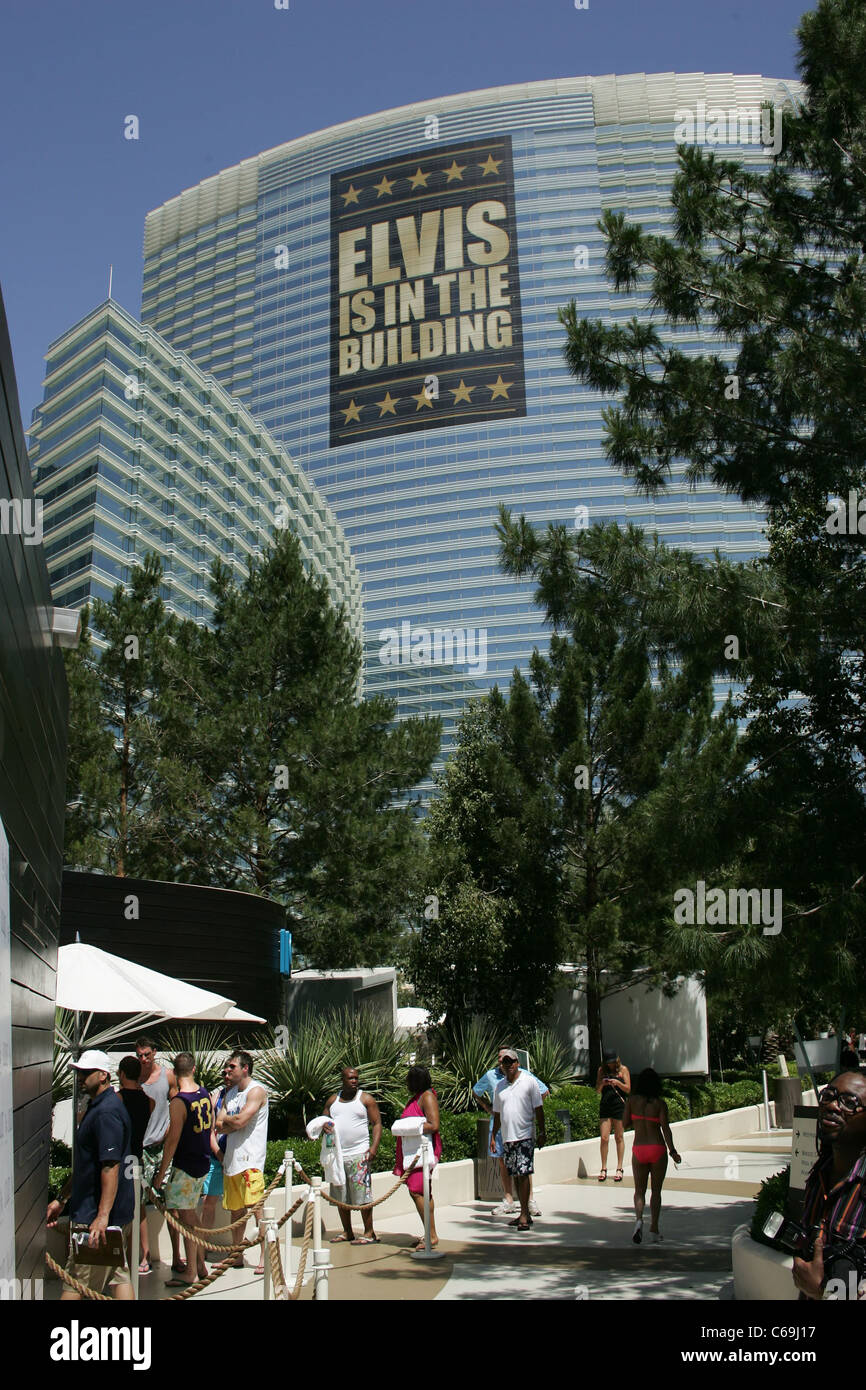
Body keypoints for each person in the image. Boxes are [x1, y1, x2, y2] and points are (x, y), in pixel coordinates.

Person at [46, 1050, 135, 1301]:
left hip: (94, 1216)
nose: (80, 1077)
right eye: (78, 1072)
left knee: (75, 1281)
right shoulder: (101, 1106)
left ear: (104, 1076)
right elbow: (88, 1165)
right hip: (104, 1213)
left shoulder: (106, 1111)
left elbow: (110, 1166)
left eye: (86, 1073)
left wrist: (102, 1217)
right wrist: (61, 1200)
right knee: (119, 1274)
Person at [793, 1070, 866, 1300]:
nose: (833, 1106)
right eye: (829, 1095)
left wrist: (823, 1292)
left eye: (849, 1102)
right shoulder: (819, 1174)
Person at [153, 1052, 214, 1288]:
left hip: (186, 1166)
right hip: (201, 1162)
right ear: (195, 1069)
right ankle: (198, 1264)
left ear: (173, 1073)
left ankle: (191, 1271)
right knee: (192, 1216)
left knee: (187, 1219)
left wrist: (160, 1175)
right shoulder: (204, 1093)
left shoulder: (179, 1102)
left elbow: (173, 1141)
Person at [474, 1046, 549, 1217]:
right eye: (501, 1058)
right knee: (505, 1164)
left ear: (516, 1062)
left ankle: (529, 1203)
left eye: (508, 1059)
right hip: (501, 1128)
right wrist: (489, 1109)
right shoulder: (493, 1077)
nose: (503, 1062)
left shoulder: (526, 1077)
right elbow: (476, 1092)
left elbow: (543, 1092)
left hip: (523, 1130)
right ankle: (508, 1200)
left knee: (525, 1167)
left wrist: (528, 1111)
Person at [215, 1049, 269, 1275]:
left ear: (245, 1068)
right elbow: (219, 1124)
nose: (227, 1070)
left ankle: (266, 1257)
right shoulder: (230, 1094)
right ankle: (236, 1256)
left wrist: (230, 1121)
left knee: (257, 1211)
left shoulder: (256, 1091)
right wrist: (231, 1121)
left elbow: (240, 1120)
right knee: (235, 1213)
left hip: (251, 1162)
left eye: (232, 1066)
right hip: (232, 1161)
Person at [136, 1035, 184, 1274]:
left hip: (163, 1146)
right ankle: (143, 1256)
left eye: (147, 1054)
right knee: (140, 1203)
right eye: (139, 1056)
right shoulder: (135, 1076)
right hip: (141, 1148)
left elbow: (176, 1104)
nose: (144, 1059)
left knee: (171, 1203)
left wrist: (169, 1131)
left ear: (154, 1052)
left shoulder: (167, 1075)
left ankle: (176, 1256)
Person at [322, 1066, 382, 1245]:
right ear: (343, 1080)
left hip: (359, 1155)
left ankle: (369, 1232)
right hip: (338, 1156)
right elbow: (323, 1119)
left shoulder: (365, 1099)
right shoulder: (333, 1100)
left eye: (356, 1078)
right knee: (341, 1197)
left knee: (363, 1196)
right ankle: (347, 1231)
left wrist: (373, 1148)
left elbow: (377, 1123)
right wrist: (324, 1125)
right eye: (350, 1078)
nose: (354, 1081)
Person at [490, 1050, 546, 1233]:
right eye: (505, 1062)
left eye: (511, 1062)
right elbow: (497, 1113)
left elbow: (539, 1108)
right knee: (515, 1174)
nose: (508, 1065)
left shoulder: (529, 1082)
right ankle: (524, 1213)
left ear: (517, 1063)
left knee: (523, 1174)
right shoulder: (500, 1087)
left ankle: (523, 1213)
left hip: (525, 1135)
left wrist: (542, 1131)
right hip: (508, 1138)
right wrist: (493, 1136)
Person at [623, 1068, 680, 1245]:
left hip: (639, 1149)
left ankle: (639, 1220)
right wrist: (673, 1151)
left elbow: (624, 1124)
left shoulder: (632, 1101)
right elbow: (666, 1129)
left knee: (639, 1191)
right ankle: (654, 1228)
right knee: (656, 1192)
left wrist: (636, 1118)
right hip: (657, 1149)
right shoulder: (660, 1104)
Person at [393, 1064, 442, 1251]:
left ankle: (432, 1234)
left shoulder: (427, 1097)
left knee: (417, 1190)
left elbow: (434, 1124)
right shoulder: (416, 1098)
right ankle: (430, 1232)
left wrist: (406, 1128)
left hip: (421, 1152)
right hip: (412, 1152)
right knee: (423, 1191)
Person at [117, 1055, 154, 1274]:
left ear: (121, 1073)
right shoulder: (149, 1100)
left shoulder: (118, 1099)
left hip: (122, 1159)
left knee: (122, 1209)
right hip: (137, 1158)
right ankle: (140, 1256)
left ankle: (124, 1260)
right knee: (137, 1207)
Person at [200, 1062, 231, 1256]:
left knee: (247, 1206)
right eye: (224, 1072)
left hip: (239, 1160)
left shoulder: (246, 1094)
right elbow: (209, 1128)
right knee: (207, 1201)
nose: (227, 1076)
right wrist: (219, 1154)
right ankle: (203, 1246)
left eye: (230, 1072)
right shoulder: (216, 1096)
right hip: (215, 1158)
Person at [596, 1048, 631, 1182]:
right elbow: (598, 1090)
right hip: (605, 1105)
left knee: (619, 1136)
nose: (610, 1065)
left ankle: (619, 1167)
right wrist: (603, 1083)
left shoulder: (623, 1070)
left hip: (619, 1105)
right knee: (604, 1137)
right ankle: (604, 1167)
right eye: (608, 1062)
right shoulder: (601, 1070)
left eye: (612, 1062)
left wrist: (617, 1083)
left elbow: (628, 1089)